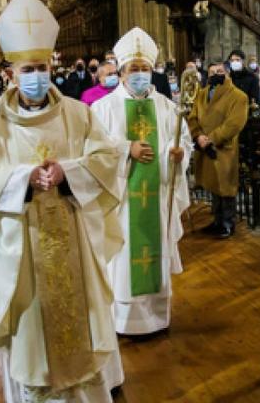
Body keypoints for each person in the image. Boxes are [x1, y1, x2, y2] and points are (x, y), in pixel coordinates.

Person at [0, 0, 125, 402]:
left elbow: (106, 156)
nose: (37, 75)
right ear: (11, 73)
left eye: (43, 67)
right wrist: (20, 179)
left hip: (73, 237)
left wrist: (69, 171)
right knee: (34, 328)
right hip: (21, 246)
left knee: (81, 322)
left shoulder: (77, 113)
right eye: (28, 68)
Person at [91, 27, 193, 336]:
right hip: (122, 199)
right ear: (121, 73)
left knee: (156, 251)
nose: (140, 74)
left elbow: (183, 141)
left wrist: (176, 157)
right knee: (123, 259)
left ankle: (156, 318)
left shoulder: (166, 107)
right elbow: (93, 151)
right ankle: (124, 320)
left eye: (145, 69)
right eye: (133, 69)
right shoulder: (102, 109)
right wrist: (126, 149)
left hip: (157, 196)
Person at [187, 61, 248, 238]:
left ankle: (228, 223)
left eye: (220, 71)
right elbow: (192, 117)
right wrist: (197, 135)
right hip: (203, 146)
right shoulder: (202, 93)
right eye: (212, 72)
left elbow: (234, 124)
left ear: (228, 74)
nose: (215, 74)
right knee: (213, 185)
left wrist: (212, 138)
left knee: (225, 186)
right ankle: (217, 221)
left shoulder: (238, 96)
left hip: (222, 147)